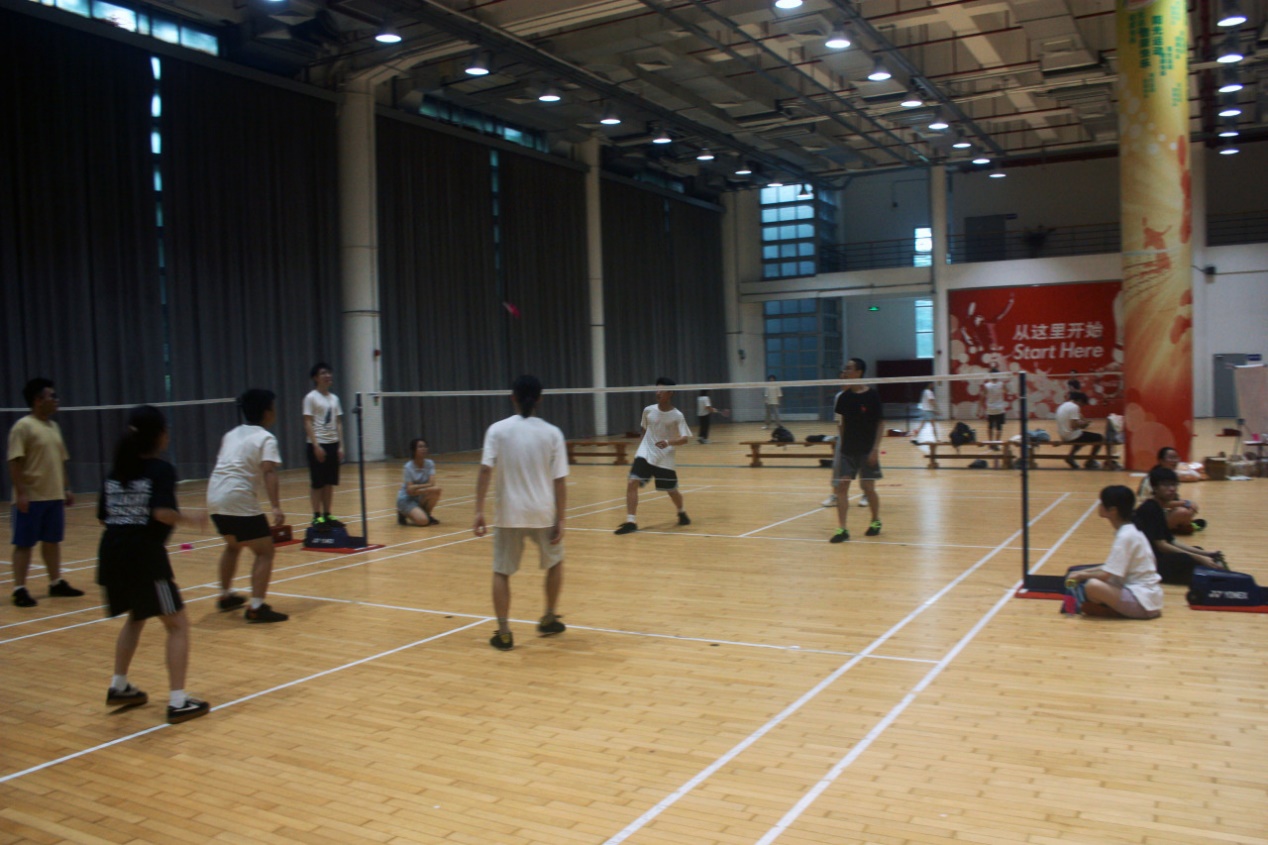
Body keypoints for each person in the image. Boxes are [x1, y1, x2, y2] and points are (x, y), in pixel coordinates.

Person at [98, 406, 211, 724]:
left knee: (136, 616)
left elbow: (103, 516)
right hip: (144, 558)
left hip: (111, 555)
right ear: (158, 435)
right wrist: (192, 519)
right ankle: (178, 701)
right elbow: (161, 513)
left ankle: (119, 685)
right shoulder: (160, 470)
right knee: (178, 625)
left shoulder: (116, 471)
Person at [473, 375, 569, 652]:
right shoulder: (553, 433)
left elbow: (485, 470)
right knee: (555, 563)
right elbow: (560, 481)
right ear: (539, 399)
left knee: (501, 571)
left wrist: (478, 510)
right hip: (543, 513)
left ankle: (504, 633)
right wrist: (561, 518)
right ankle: (549, 617)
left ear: (512, 397)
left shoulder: (497, 430)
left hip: (508, 514)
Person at [207, 389, 288, 623]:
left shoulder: (230, 434)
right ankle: (256, 607)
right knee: (265, 552)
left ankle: (225, 596)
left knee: (233, 546)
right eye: (273, 407)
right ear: (267, 412)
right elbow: (269, 471)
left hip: (214, 497)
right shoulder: (266, 438)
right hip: (238, 498)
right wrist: (275, 506)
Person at [7, 377, 84, 607]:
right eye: (52, 396)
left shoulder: (53, 427)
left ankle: (55, 582)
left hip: (53, 496)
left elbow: (61, 461)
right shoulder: (23, 426)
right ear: (38, 400)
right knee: (24, 543)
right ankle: (19, 589)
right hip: (31, 497)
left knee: (52, 541)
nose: (56, 400)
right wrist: (21, 493)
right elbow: (15, 462)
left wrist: (67, 488)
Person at [1065, 485, 1162, 619]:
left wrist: (1081, 575)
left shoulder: (1125, 536)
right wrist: (1082, 572)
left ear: (1113, 510)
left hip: (1142, 603)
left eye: (1102, 503)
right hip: (1147, 599)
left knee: (1092, 586)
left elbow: (1105, 575)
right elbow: (1109, 568)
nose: (1099, 506)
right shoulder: (1130, 531)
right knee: (1077, 573)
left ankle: (1107, 611)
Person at [615, 378, 692, 534]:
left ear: (670, 393)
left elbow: (685, 439)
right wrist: (642, 446)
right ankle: (631, 521)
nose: (658, 393)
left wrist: (668, 442)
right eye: (657, 389)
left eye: (662, 390)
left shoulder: (677, 415)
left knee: (672, 490)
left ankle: (681, 512)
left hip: (664, 457)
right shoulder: (648, 410)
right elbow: (644, 430)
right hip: (645, 453)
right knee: (632, 482)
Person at [1132, 466, 1225, 586]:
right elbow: (1162, 545)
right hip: (1148, 564)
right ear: (1155, 487)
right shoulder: (1150, 509)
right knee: (1190, 560)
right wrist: (1199, 558)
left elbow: (1171, 541)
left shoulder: (1157, 507)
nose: (1172, 489)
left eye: (1174, 485)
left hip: (1155, 556)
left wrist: (1206, 553)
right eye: (1166, 485)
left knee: (1198, 551)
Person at [830, 358, 884, 543]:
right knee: (842, 487)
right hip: (848, 451)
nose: (846, 371)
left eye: (850, 368)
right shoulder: (843, 398)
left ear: (859, 372)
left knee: (868, 488)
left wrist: (875, 449)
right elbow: (841, 424)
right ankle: (842, 529)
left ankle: (875, 521)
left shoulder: (872, 396)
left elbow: (880, 423)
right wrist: (842, 447)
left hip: (867, 450)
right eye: (845, 368)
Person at [303, 362, 344, 528]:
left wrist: (341, 446)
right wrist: (316, 446)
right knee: (317, 482)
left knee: (329, 482)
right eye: (323, 373)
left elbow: (338, 422)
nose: (328, 376)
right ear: (316, 378)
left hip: (333, 443)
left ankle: (327, 514)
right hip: (318, 444)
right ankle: (316, 516)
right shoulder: (310, 397)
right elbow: (307, 422)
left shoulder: (335, 399)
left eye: (329, 373)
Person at [1137, 446, 1206, 534]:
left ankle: (1182, 525)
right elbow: (1158, 503)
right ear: (1161, 460)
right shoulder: (1153, 478)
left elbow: (1171, 500)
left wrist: (1186, 504)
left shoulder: (1171, 475)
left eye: (1176, 458)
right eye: (1171, 458)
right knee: (1183, 512)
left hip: (1162, 511)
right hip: (1148, 516)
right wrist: (1185, 503)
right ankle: (1184, 526)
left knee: (1191, 508)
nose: (1175, 461)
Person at [397, 437, 442, 526]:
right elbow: (409, 490)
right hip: (407, 499)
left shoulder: (430, 464)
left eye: (425, 446)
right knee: (423, 522)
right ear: (414, 450)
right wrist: (425, 487)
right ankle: (402, 512)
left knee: (436, 490)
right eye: (420, 447)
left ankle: (427, 515)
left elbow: (432, 484)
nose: (424, 449)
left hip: (419, 495)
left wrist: (416, 489)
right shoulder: (408, 467)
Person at [1055, 390, 1103, 468]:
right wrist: (1084, 424)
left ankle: (1071, 457)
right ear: (1080, 401)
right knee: (1100, 438)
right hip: (1071, 436)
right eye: (1082, 405)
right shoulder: (1074, 407)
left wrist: (1081, 422)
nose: (1081, 407)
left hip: (1063, 435)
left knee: (1082, 436)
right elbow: (1074, 425)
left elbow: (1076, 418)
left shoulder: (1063, 405)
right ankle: (1090, 461)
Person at [982, 369, 1008, 447]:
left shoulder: (986, 385)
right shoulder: (1001, 384)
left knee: (990, 427)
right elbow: (1006, 391)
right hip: (999, 409)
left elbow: (983, 396)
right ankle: (997, 443)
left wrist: (980, 409)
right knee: (999, 428)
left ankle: (990, 443)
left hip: (990, 409)